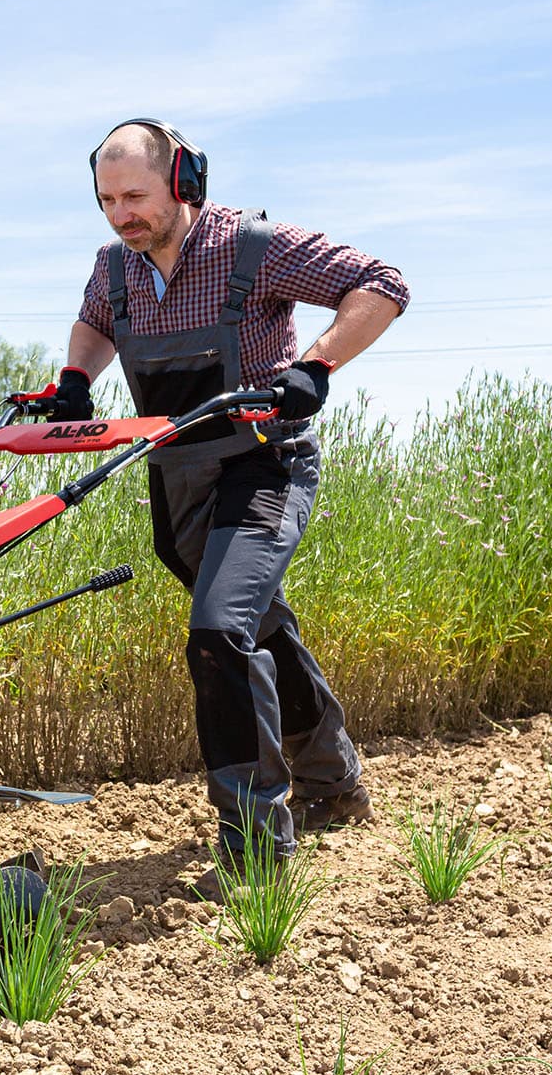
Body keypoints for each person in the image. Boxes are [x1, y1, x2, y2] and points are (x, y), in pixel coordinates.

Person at [29, 119, 408, 865]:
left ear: (184, 182)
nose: (121, 214)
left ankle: (257, 849)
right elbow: (96, 323)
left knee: (218, 633)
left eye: (135, 195)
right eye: (107, 200)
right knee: (255, 626)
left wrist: (318, 364)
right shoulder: (115, 270)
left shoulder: (253, 249)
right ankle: (333, 782)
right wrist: (77, 379)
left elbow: (383, 286)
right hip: (180, 481)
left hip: (266, 466)